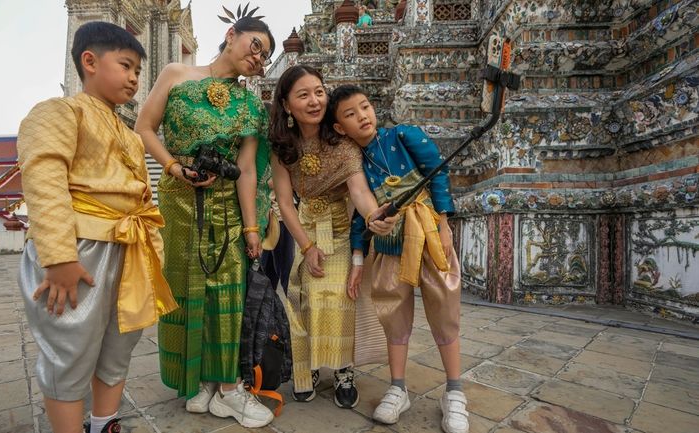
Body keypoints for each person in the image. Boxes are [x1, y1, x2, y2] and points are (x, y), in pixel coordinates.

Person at [17, 21, 178, 433]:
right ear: (89, 61)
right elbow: (44, 180)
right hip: (80, 248)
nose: (134, 78)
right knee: (70, 347)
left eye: (138, 71)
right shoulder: (58, 112)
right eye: (126, 65)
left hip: (129, 245)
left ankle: (104, 423)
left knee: (117, 345)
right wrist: (58, 257)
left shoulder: (128, 134)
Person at [135, 10, 276, 429]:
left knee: (227, 294)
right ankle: (197, 381)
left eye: (266, 56)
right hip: (180, 199)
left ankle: (229, 388)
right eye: (256, 45)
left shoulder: (250, 102)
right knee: (186, 287)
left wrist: (252, 227)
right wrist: (175, 168)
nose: (259, 58)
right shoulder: (177, 74)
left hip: (228, 206)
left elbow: (247, 169)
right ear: (231, 35)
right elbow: (145, 127)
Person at [329, 85, 469, 433]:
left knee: (444, 306)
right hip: (389, 244)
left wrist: (444, 221)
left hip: (429, 234)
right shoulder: (354, 164)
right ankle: (398, 387)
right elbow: (362, 216)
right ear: (338, 128)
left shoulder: (403, 135)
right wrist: (358, 260)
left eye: (365, 107)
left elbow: (437, 171)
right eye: (350, 113)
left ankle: (454, 391)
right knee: (393, 314)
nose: (362, 115)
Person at [268, 65, 396, 409]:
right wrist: (306, 247)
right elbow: (283, 201)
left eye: (319, 92)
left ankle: (342, 369)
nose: (315, 101)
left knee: (342, 295)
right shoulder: (282, 145)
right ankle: (307, 368)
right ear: (286, 104)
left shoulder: (343, 141)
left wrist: (373, 216)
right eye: (304, 95)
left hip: (340, 229)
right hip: (304, 227)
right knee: (304, 297)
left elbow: (359, 189)